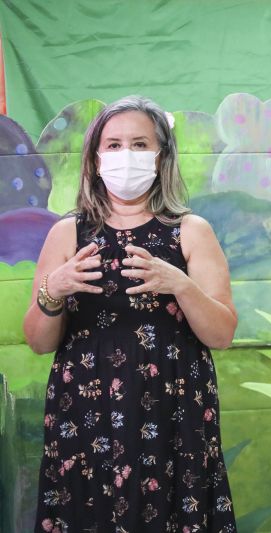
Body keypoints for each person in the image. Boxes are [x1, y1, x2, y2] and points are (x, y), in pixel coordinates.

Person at [23, 96, 238, 532]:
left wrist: (180, 284)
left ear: (161, 157)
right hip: (85, 409)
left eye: (140, 144)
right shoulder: (68, 232)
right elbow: (38, 341)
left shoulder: (191, 232)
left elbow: (221, 334)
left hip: (173, 410)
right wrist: (54, 289)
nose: (127, 156)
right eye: (115, 144)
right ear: (95, 158)